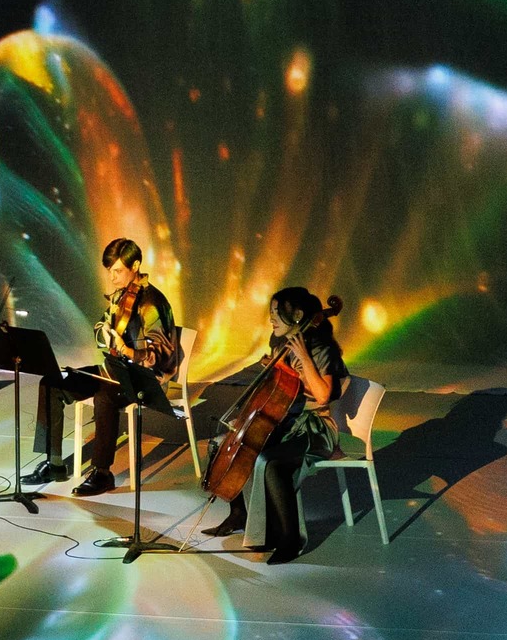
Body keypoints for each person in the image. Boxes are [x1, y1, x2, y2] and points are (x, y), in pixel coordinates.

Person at [201, 286, 347, 564]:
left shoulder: (321, 348)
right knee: (224, 443)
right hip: (287, 421)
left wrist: (303, 357)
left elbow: (322, 395)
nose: (271, 318)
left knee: (270, 463)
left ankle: (290, 538)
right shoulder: (280, 344)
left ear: (298, 315)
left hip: (315, 428)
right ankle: (238, 514)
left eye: (277, 312)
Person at [29, 238, 180, 496]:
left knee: (105, 395)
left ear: (135, 266)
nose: (112, 277)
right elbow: (101, 327)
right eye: (110, 270)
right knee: (52, 382)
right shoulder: (121, 296)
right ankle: (53, 463)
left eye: (117, 270)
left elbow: (159, 355)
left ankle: (102, 473)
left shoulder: (151, 303)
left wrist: (128, 350)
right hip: (115, 371)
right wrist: (106, 333)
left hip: (143, 379)